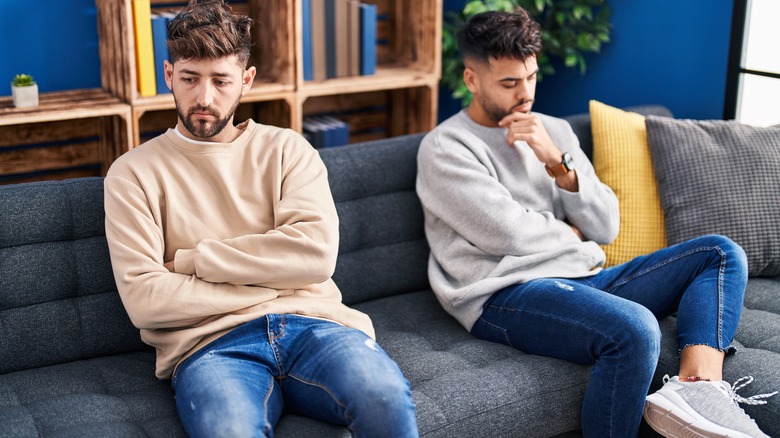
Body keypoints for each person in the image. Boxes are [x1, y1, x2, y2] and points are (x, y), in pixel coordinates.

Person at [416, 8, 776, 438]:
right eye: (509, 83)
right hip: (504, 294)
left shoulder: (553, 133)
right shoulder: (445, 147)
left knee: (720, 252)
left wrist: (557, 164)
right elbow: (505, 232)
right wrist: (568, 233)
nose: (525, 93)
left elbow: (605, 226)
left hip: (583, 276)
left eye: (530, 77)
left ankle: (698, 390)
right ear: (472, 80)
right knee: (636, 330)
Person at [103, 1, 418, 436]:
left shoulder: (289, 150)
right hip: (210, 347)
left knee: (385, 401)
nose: (204, 98)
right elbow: (146, 300)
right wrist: (276, 280)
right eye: (190, 78)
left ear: (246, 81)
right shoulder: (131, 173)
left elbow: (315, 259)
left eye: (221, 81)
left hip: (316, 326)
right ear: (168, 75)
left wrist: (194, 261)